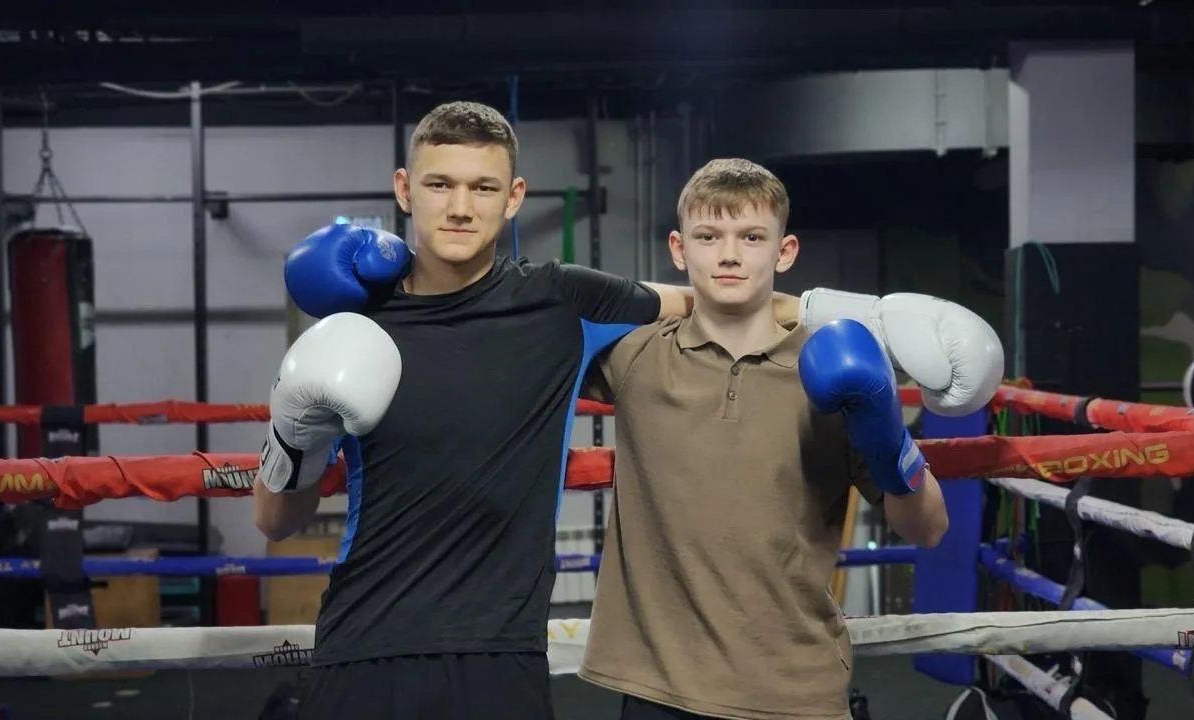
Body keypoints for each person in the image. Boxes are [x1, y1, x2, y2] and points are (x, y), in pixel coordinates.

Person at [253, 102, 1000, 719]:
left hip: (502, 654)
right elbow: (276, 520)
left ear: (514, 197)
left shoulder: (560, 304)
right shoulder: (356, 326)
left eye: (482, 187)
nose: (458, 206)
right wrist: (292, 428)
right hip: (363, 643)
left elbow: (713, 295)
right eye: (439, 184)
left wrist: (872, 318)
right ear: (403, 188)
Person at [577, 158, 997, 720]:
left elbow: (929, 528)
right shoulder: (635, 355)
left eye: (752, 237)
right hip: (660, 687)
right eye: (708, 237)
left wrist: (889, 440)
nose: (729, 254)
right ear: (679, 249)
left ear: (785, 251)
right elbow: (532, 315)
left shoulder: (832, 370)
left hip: (795, 688)